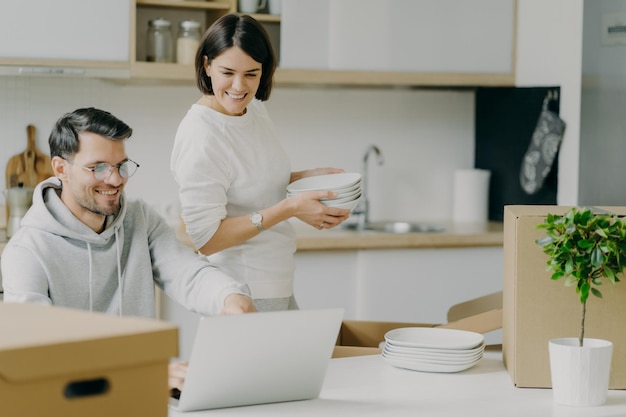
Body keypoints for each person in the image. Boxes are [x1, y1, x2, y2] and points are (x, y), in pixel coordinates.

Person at [1, 107, 256, 391]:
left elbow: (188, 274)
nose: (115, 179)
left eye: (121, 165)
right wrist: (141, 373)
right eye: (98, 167)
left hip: (144, 394)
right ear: (61, 169)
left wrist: (230, 297)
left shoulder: (139, 219)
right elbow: (34, 348)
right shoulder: (26, 250)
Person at [170, 14, 351, 312]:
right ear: (206, 65)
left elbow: (254, 180)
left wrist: (306, 179)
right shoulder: (201, 134)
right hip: (242, 288)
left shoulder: (252, 110)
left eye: (251, 74)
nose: (239, 87)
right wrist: (290, 208)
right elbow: (206, 239)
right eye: (227, 72)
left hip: (277, 278)